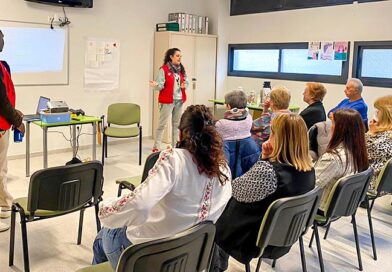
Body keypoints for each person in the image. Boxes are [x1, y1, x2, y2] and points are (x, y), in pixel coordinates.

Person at [92, 105, 232, 270]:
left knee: (104, 235)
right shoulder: (223, 169)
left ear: (180, 133)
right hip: (190, 255)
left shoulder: (174, 159)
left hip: (148, 257)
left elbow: (139, 204)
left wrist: (106, 207)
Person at [213, 113, 315, 271]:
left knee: (213, 214)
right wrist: (266, 157)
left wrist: (263, 162)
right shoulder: (309, 170)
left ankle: (217, 265)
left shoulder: (269, 172)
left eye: (273, 132)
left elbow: (234, 190)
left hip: (249, 238)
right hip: (284, 235)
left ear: (280, 137)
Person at [315, 109, 369, 211]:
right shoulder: (358, 152)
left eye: (333, 123)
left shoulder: (333, 158)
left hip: (321, 207)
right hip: (343, 205)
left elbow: (312, 186)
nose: (331, 126)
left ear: (341, 128)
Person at [0, 29, 25, 232]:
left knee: (2, 169)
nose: (2, 42)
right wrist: (17, 120)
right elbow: (1, 102)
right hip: (2, 124)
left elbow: (6, 97)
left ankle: (4, 203)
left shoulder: (2, 65)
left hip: (3, 126)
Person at [150, 48, 188, 152]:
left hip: (179, 100)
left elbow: (186, 81)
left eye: (180, 56)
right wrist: (156, 85)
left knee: (176, 124)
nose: (179, 58)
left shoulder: (181, 69)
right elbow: (160, 85)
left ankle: (175, 145)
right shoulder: (164, 69)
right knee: (162, 124)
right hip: (167, 101)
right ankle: (156, 147)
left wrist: (185, 84)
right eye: (177, 56)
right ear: (171, 57)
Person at [215, 90, 260, 179]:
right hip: (248, 155)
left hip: (228, 158)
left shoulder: (221, 124)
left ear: (228, 106)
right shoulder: (249, 119)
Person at [365, 96, 392, 194]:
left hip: (370, 181)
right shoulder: (385, 132)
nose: (375, 114)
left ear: (385, 114)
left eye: (377, 111)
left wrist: (370, 133)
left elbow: (364, 153)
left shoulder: (387, 136)